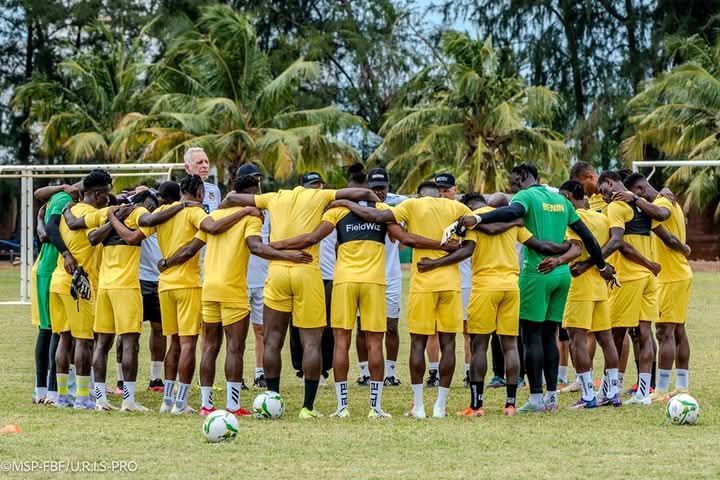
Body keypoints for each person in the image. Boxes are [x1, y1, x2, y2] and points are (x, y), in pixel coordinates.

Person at [447, 163, 612, 413]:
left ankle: (535, 399)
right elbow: (587, 236)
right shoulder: (562, 200)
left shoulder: (526, 197)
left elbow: (512, 211)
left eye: (515, 181)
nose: (513, 186)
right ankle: (552, 398)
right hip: (561, 275)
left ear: (525, 178)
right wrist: (601, 265)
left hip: (537, 273)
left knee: (532, 337)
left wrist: (478, 217)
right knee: (550, 336)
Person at [221, 173, 377, 418]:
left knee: (272, 340)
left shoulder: (273, 197)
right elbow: (364, 193)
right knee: (311, 343)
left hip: (277, 272)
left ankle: (272, 399)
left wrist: (222, 210)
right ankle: (307, 407)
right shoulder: (320, 195)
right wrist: (368, 202)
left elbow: (232, 198)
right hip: (307, 270)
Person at [163, 175, 311, 417]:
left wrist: (167, 262)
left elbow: (191, 248)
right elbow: (256, 247)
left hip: (209, 288)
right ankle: (233, 406)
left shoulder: (214, 216)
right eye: (257, 193)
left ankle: (206, 405)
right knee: (235, 348)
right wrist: (289, 256)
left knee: (209, 347)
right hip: (232, 290)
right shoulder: (250, 217)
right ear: (250, 194)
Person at [328, 181, 471, 419]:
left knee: (414, 343)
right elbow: (468, 245)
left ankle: (416, 406)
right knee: (446, 344)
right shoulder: (458, 208)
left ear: (419, 195)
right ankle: (436, 406)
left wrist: (344, 202)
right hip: (447, 283)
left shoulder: (410, 205)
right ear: (441, 193)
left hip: (418, 282)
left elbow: (398, 233)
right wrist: (443, 250)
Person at [418, 193, 567, 416]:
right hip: (511, 287)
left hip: (485, 287)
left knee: (479, 346)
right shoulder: (510, 220)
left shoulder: (471, 219)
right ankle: (510, 404)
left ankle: (476, 405)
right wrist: (567, 248)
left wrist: (435, 263)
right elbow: (539, 245)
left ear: (469, 207)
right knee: (510, 346)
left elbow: (466, 251)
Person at [143, 175, 251, 414]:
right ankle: (180, 403)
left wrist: (165, 262)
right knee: (188, 344)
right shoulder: (194, 211)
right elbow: (211, 228)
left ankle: (167, 401)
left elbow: (141, 227)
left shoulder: (163, 211)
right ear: (200, 192)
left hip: (164, 285)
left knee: (173, 344)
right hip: (187, 285)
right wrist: (243, 211)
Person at [538, 180, 622, 408]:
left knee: (577, 341)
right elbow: (608, 246)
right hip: (600, 286)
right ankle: (612, 392)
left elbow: (575, 248)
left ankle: (588, 396)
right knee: (606, 339)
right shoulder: (602, 218)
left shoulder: (572, 218)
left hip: (579, 286)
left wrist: (557, 260)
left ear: (566, 196)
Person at [623, 173, 693, 401]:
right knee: (678, 331)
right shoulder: (667, 199)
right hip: (678, 274)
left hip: (671, 276)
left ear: (640, 190)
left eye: (633, 196)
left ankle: (661, 389)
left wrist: (683, 247)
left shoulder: (661, 204)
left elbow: (668, 236)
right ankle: (681, 386)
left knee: (664, 332)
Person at [595, 171, 661, 406]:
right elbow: (662, 215)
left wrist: (593, 261)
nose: (603, 196)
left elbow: (617, 243)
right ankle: (643, 393)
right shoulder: (644, 205)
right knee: (644, 334)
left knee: (614, 335)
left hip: (629, 278)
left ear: (610, 182)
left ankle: (608, 391)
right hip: (648, 279)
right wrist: (650, 264)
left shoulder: (616, 206)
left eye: (603, 190)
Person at [47, 172, 110, 409]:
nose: (108, 198)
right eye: (106, 194)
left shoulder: (68, 212)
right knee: (84, 340)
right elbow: (94, 237)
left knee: (64, 339)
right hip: (77, 284)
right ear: (98, 194)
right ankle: (83, 398)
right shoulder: (93, 215)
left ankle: (63, 396)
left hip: (58, 280)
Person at [355, 167, 407, 387]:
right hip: (365, 274)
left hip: (391, 275)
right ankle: (364, 373)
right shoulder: (358, 205)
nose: (379, 192)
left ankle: (390, 373)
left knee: (391, 326)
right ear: (367, 187)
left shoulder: (399, 204)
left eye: (382, 188)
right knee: (362, 328)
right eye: (375, 188)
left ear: (388, 186)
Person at [30, 183, 80, 405]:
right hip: (52, 268)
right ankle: (51, 390)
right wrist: (67, 253)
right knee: (55, 331)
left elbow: (44, 227)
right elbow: (49, 231)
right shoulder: (64, 198)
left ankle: (42, 389)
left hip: (47, 268)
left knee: (48, 330)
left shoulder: (62, 198)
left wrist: (40, 221)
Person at [289, 172, 336, 386]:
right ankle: (301, 369)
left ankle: (323, 370)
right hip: (302, 273)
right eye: (312, 185)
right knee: (297, 324)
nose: (316, 189)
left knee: (327, 326)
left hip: (327, 275)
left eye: (319, 185)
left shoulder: (333, 211)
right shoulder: (296, 212)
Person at [422, 172, 458, 387]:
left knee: (457, 332)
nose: (443, 194)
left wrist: (436, 261)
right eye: (440, 191)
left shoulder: (461, 211)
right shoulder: (428, 211)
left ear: (455, 190)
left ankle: (465, 372)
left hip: (457, 279)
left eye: (446, 190)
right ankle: (434, 372)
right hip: (431, 278)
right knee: (432, 331)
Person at [238, 163, 269, 389]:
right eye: (252, 179)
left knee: (261, 330)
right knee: (235, 333)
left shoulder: (267, 208)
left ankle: (260, 373)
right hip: (238, 280)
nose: (256, 184)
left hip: (263, 278)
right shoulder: (231, 209)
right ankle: (235, 376)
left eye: (257, 179)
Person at [184, 147, 221, 212]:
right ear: (187, 168)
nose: (205, 166)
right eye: (199, 162)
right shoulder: (178, 191)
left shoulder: (214, 189)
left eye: (207, 162)